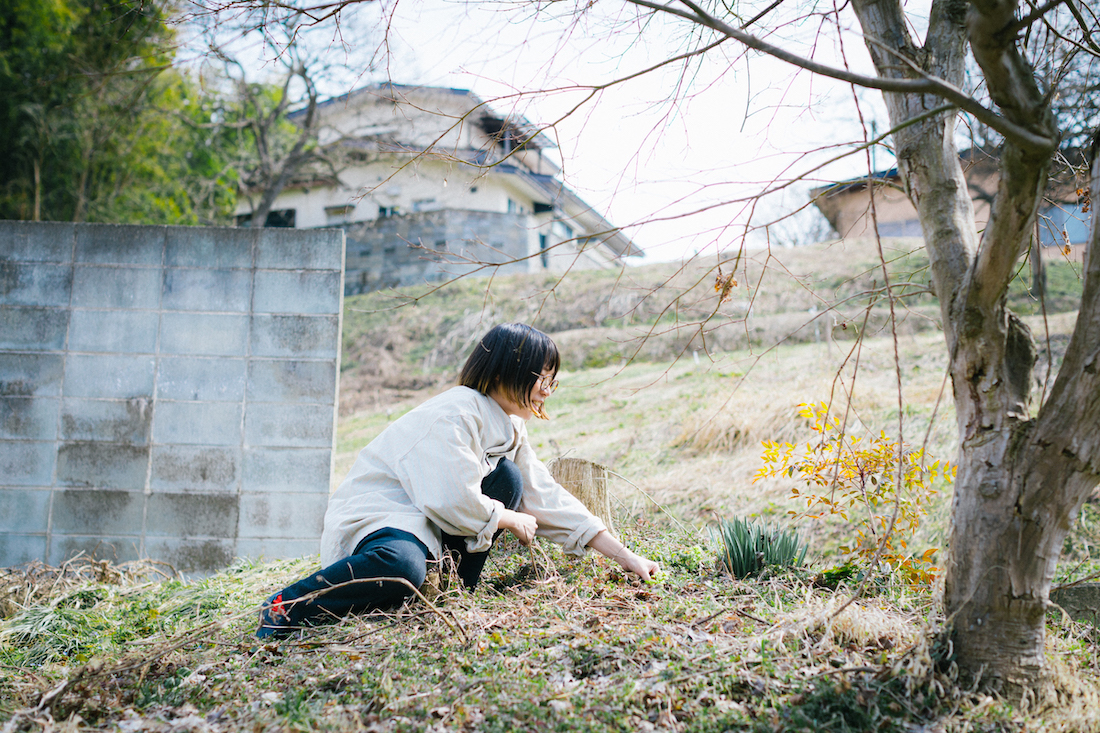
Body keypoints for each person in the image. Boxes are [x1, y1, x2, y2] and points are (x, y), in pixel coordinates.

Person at [257, 322, 659, 638]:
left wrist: (625, 557)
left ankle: (449, 591)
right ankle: (285, 605)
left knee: (509, 478)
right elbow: (449, 497)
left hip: (428, 525)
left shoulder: (509, 428)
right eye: (544, 378)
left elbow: (546, 498)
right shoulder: (455, 412)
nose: (547, 391)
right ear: (512, 370)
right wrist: (506, 518)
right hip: (384, 519)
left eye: (553, 381)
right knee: (402, 567)